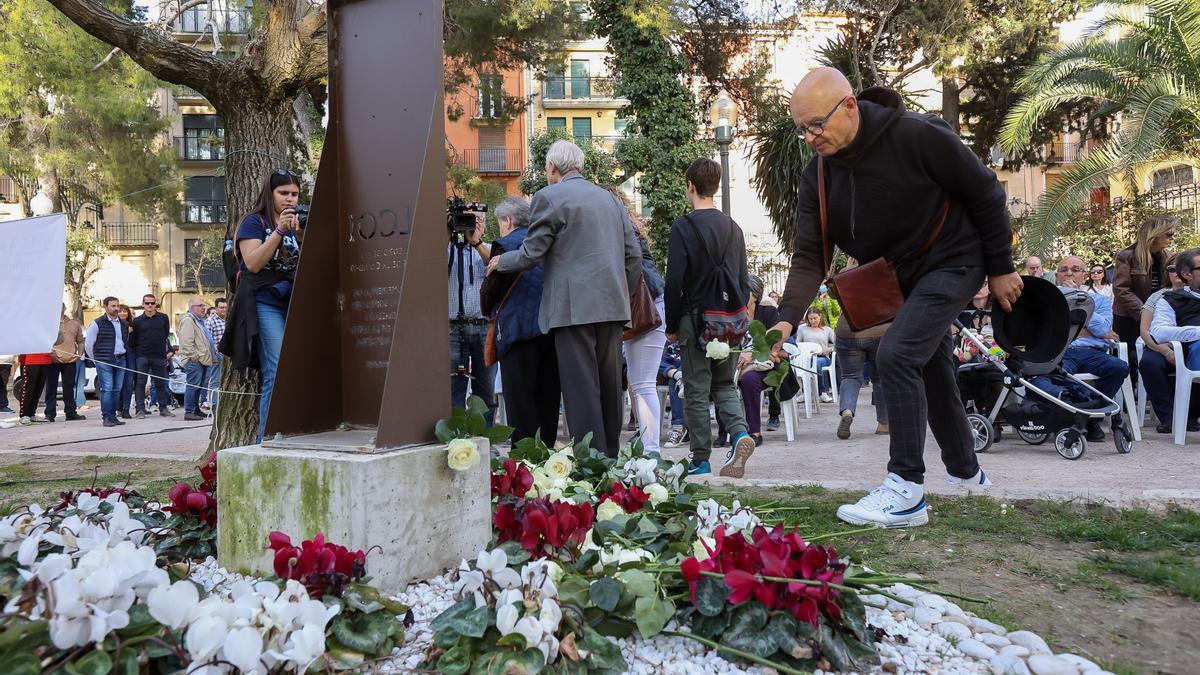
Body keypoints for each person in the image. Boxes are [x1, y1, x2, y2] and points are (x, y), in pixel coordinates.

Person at [769, 68, 1021, 528]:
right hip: (901, 279)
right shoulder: (818, 175)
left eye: (816, 125)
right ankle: (968, 474)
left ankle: (906, 489)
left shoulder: (916, 136)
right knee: (932, 366)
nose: (809, 137)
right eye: (800, 128)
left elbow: (985, 190)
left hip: (956, 259)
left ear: (848, 106)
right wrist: (785, 320)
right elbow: (810, 255)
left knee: (898, 352)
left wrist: (1002, 266)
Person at [487, 140, 641, 457]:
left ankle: (590, 464)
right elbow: (633, 254)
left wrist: (500, 262)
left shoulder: (549, 197)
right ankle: (610, 458)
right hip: (612, 309)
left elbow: (532, 254)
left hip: (573, 313)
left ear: (552, 168)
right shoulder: (610, 199)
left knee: (580, 390)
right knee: (611, 390)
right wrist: (619, 291)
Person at [664, 157, 757, 477]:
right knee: (725, 386)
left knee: (696, 389)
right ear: (715, 187)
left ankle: (701, 458)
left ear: (691, 186)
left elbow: (674, 280)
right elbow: (744, 281)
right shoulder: (734, 227)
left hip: (695, 320)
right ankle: (741, 434)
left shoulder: (684, 227)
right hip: (729, 321)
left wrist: (673, 325)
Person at [220, 169, 304, 443]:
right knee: (276, 369)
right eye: (284, 193)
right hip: (264, 302)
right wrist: (279, 230)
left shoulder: (297, 225)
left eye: (294, 193)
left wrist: (301, 236)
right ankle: (265, 441)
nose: (289, 199)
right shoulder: (253, 223)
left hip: (290, 301)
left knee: (293, 370)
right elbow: (253, 263)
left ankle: (288, 432)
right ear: (270, 194)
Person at [481, 196, 559, 446]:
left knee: (520, 402)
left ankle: (523, 460)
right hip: (551, 329)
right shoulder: (548, 242)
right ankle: (547, 461)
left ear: (509, 220)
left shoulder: (505, 244)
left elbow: (489, 291)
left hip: (517, 331)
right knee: (547, 399)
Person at [608, 186, 667, 454]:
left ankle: (652, 449)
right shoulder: (633, 229)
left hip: (647, 306)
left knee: (643, 383)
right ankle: (648, 444)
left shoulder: (620, 231)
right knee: (640, 381)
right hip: (655, 303)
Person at [1055, 255, 1129, 440]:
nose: (1069, 273)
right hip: (1061, 352)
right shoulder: (1048, 300)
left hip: (1093, 352)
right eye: (1064, 270)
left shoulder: (1100, 300)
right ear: (1057, 275)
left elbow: (1103, 328)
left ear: (1085, 276)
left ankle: (1085, 416)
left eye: (1075, 269)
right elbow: (1047, 331)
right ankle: (1086, 416)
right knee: (1056, 373)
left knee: (1119, 367)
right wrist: (1089, 330)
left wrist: (1078, 301)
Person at [1113, 215, 1175, 385]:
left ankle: (1149, 390)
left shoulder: (1167, 256)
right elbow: (1121, 289)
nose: (1171, 238)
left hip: (1158, 315)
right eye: (1168, 234)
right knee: (1130, 356)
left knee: (1155, 353)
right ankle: (1128, 397)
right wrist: (1143, 312)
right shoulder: (1127, 256)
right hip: (1129, 316)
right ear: (1155, 234)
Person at [448, 207, 497, 424]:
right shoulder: (448, 250)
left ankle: (484, 437)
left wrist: (476, 243)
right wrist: (446, 230)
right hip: (452, 328)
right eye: (467, 219)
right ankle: (454, 437)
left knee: (485, 388)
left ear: (484, 225)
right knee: (452, 388)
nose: (471, 224)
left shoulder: (489, 249)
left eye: (477, 220)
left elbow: (496, 266)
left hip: (483, 327)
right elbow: (428, 264)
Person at [1139, 254, 1188, 433]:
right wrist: (1164, 351)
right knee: (1149, 364)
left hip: (1190, 346)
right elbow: (1145, 331)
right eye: (1171, 269)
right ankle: (1168, 418)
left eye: (1181, 268)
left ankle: (1190, 415)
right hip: (1160, 347)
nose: (1176, 273)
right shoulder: (1158, 296)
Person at [736, 277, 784, 447]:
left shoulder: (768, 312)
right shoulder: (734, 313)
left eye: (744, 290)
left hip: (765, 364)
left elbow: (776, 341)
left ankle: (754, 432)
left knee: (749, 380)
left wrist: (752, 353)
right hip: (738, 364)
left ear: (755, 295)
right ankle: (727, 433)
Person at [834, 309, 889, 440]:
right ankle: (884, 424)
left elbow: (832, 292)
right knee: (880, 378)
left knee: (850, 376)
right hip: (879, 328)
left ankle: (847, 411)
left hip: (848, 329)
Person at [129, 293, 175, 418]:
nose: (150, 305)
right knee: (140, 383)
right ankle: (140, 409)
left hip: (159, 356)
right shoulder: (137, 321)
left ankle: (163, 408)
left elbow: (165, 335)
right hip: (142, 355)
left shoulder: (163, 318)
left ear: (156, 304)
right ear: (143, 304)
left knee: (160, 383)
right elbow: (133, 339)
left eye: (152, 303)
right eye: (147, 303)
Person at [85, 296, 129, 427]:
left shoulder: (123, 324)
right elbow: (88, 344)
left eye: (117, 306)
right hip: (104, 360)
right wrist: (95, 359)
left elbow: (124, 341)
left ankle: (113, 416)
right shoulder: (97, 323)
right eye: (113, 306)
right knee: (107, 389)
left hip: (120, 359)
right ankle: (106, 417)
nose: (116, 309)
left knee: (117, 389)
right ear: (105, 307)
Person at [43, 304, 86, 422]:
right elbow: (44, 343)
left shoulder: (74, 324)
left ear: (64, 308)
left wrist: (79, 354)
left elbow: (81, 341)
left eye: (60, 306)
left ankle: (70, 413)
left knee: (69, 388)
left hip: (70, 361)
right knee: (51, 388)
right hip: (52, 361)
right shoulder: (48, 324)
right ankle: (50, 414)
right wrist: (52, 355)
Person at [178, 298, 216, 421]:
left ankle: (195, 409)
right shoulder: (189, 320)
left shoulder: (198, 321)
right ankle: (189, 411)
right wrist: (195, 357)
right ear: (192, 307)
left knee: (199, 387)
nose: (203, 308)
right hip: (195, 361)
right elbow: (186, 343)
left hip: (202, 360)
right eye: (200, 305)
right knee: (193, 386)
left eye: (203, 306)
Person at [796, 307, 836, 402]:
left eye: (815, 318)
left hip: (822, 357)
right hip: (807, 358)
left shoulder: (827, 330)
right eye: (811, 319)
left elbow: (838, 344)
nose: (813, 321)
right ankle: (806, 392)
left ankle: (821, 392)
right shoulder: (803, 329)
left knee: (816, 363)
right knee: (803, 364)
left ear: (820, 317)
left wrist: (829, 349)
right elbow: (797, 344)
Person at [659, 340, 687, 447]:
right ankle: (676, 374)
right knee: (650, 361)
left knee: (674, 381)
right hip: (669, 360)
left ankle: (678, 428)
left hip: (688, 360)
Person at [204, 297, 227, 413]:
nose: (224, 310)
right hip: (217, 355)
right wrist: (214, 355)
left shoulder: (229, 320)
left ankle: (224, 405)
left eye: (225, 307)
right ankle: (215, 407)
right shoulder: (211, 321)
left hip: (229, 356)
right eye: (221, 307)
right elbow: (208, 340)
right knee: (215, 382)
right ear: (216, 308)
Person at [17, 351, 51, 425]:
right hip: (29, 359)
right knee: (28, 388)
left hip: (45, 358)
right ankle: (24, 415)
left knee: (38, 389)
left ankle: (31, 414)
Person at [116, 304, 137, 418]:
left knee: (129, 384)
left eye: (125, 311)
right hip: (119, 356)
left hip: (131, 356)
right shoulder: (114, 325)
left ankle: (125, 409)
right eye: (120, 311)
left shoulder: (133, 326)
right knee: (118, 384)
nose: (123, 313)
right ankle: (118, 408)